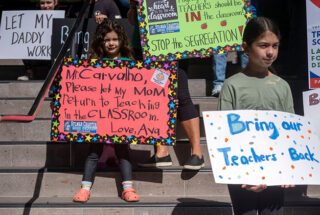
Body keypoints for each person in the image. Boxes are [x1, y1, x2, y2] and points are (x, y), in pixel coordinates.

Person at [218, 17, 295, 215]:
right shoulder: (232, 85)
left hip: (275, 171)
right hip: (242, 175)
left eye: (275, 46)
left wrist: (289, 170)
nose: (270, 52)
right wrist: (246, 174)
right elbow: (225, 133)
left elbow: (291, 134)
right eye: (263, 45)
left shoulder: (282, 86)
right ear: (246, 47)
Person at [128, 0, 204, 170]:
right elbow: (133, 20)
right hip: (146, 48)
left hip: (174, 45)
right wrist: (134, 6)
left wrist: (202, 44)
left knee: (181, 95)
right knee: (155, 98)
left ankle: (197, 153)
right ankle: (161, 152)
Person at [73, 19, 139, 203]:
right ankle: (85, 188)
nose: (111, 43)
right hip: (98, 116)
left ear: (121, 41)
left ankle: (128, 188)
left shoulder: (129, 64)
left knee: (123, 151)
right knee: (93, 152)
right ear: (101, 41)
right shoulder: (94, 64)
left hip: (121, 117)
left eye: (115, 39)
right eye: (107, 39)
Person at [17, 0, 58, 81]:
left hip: (54, 53)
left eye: (48, 2)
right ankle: (29, 72)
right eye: (42, 3)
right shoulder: (33, 18)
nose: (46, 6)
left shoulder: (62, 16)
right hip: (37, 54)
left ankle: (57, 73)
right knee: (23, 40)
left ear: (55, 3)